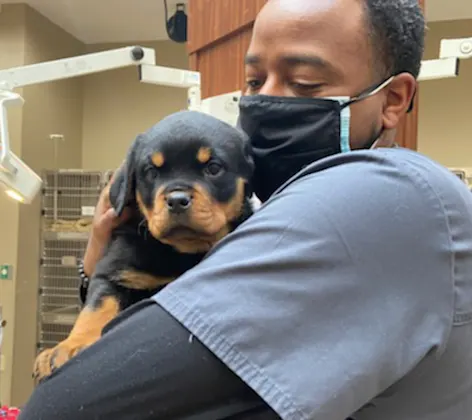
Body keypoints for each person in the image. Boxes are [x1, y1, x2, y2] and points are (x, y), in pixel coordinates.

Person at [19, 0, 472, 419]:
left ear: (393, 100)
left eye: (304, 83)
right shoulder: (306, 202)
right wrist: (97, 267)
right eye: (255, 82)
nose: (266, 102)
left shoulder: (384, 195)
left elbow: (65, 405)